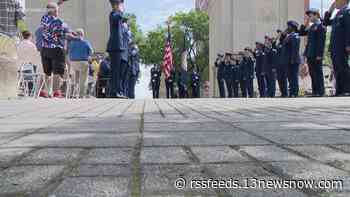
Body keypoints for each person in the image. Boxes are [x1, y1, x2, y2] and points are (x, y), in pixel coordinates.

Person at [40, 2, 75, 98]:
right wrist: (73, 35)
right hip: (57, 49)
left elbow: (52, 9)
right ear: (55, 11)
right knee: (57, 71)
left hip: (45, 49)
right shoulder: (59, 22)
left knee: (47, 71)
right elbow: (66, 34)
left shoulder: (43, 19)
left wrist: (58, 3)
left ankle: (43, 91)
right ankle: (56, 92)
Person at [324, 0, 350, 96]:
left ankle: (347, 90)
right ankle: (339, 90)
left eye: (337, 1)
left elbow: (348, 29)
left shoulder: (347, 12)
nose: (335, 3)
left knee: (343, 67)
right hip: (335, 46)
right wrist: (330, 10)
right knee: (337, 68)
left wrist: (348, 44)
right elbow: (326, 22)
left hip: (342, 45)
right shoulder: (337, 14)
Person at [299, 8, 326, 97]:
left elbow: (321, 42)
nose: (309, 18)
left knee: (318, 72)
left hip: (316, 54)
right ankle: (315, 91)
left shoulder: (320, 26)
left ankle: (320, 91)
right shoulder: (311, 27)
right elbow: (301, 32)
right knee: (312, 73)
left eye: (310, 16)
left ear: (316, 15)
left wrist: (319, 54)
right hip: (310, 54)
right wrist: (306, 22)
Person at [68, 28, 94, 98]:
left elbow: (68, 52)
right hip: (83, 62)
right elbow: (91, 51)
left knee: (75, 78)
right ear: (82, 35)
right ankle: (81, 95)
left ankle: (73, 93)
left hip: (73, 62)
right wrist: (88, 56)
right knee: (83, 79)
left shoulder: (71, 42)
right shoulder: (85, 42)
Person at [107, 0, 125, 98]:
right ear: (115, 5)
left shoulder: (117, 15)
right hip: (115, 47)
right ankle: (114, 92)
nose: (121, 6)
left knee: (117, 71)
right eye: (119, 4)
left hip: (118, 47)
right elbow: (117, 17)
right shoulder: (113, 14)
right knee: (115, 71)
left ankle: (117, 91)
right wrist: (120, 11)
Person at [283, 21, 301, 97]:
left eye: (288, 26)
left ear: (292, 27)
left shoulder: (295, 36)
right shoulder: (289, 36)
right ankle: (291, 92)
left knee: (293, 77)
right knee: (290, 77)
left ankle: (295, 93)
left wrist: (292, 59)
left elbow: (295, 48)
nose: (287, 28)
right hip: (288, 60)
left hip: (293, 60)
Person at [274, 29, 289, 97]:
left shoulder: (284, 42)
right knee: (279, 79)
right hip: (278, 64)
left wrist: (282, 34)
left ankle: (285, 93)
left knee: (283, 79)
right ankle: (282, 93)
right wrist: (276, 38)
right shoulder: (279, 43)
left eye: (279, 34)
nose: (278, 35)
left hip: (284, 63)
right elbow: (273, 45)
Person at [120, 17, 132, 98]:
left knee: (124, 76)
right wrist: (128, 29)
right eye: (128, 22)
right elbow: (128, 37)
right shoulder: (124, 26)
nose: (128, 24)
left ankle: (123, 92)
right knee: (121, 75)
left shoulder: (126, 29)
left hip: (125, 56)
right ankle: (120, 92)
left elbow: (129, 40)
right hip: (123, 56)